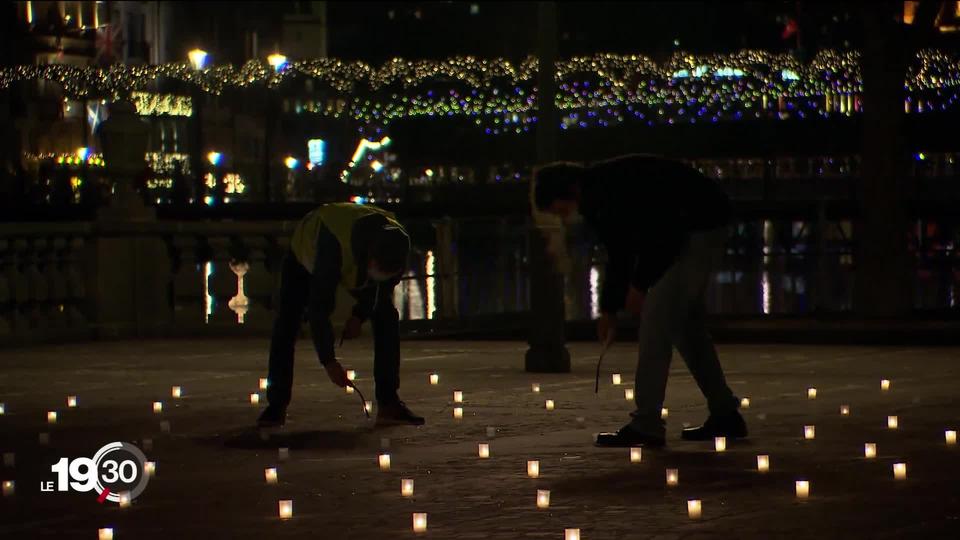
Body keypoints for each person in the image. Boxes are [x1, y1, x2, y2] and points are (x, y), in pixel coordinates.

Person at [534, 154, 746, 447]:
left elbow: (661, 236)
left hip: (697, 227)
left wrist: (639, 286)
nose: (563, 217)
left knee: (656, 326)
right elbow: (619, 253)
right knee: (685, 327)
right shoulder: (598, 194)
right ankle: (725, 414)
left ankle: (647, 423)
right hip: (697, 224)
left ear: (567, 192)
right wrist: (609, 310)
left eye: (559, 210)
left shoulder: (607, 193)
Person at [257, 202, 424, 428]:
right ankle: (276, 405)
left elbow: (381, 288)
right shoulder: (333, 246)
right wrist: (329, 361)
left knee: (386, 316)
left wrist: (359, 315)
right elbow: (319, 308)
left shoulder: (398, 244)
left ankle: (389, 402)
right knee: (288, 321)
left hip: (356, 253)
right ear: (369, 259)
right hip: (305, 254)